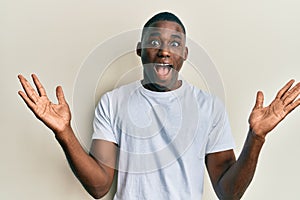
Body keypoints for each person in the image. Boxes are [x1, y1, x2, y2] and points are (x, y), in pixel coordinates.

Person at [18, 12, 300, 200]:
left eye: (175, 43)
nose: (164, 49)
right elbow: (100, 186)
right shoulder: (114, 102)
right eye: (155, 41)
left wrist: (257, 138)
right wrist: (64, 132)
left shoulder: (208, 107)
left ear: (184, 55)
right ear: (141, 50)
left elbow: (228, 192)